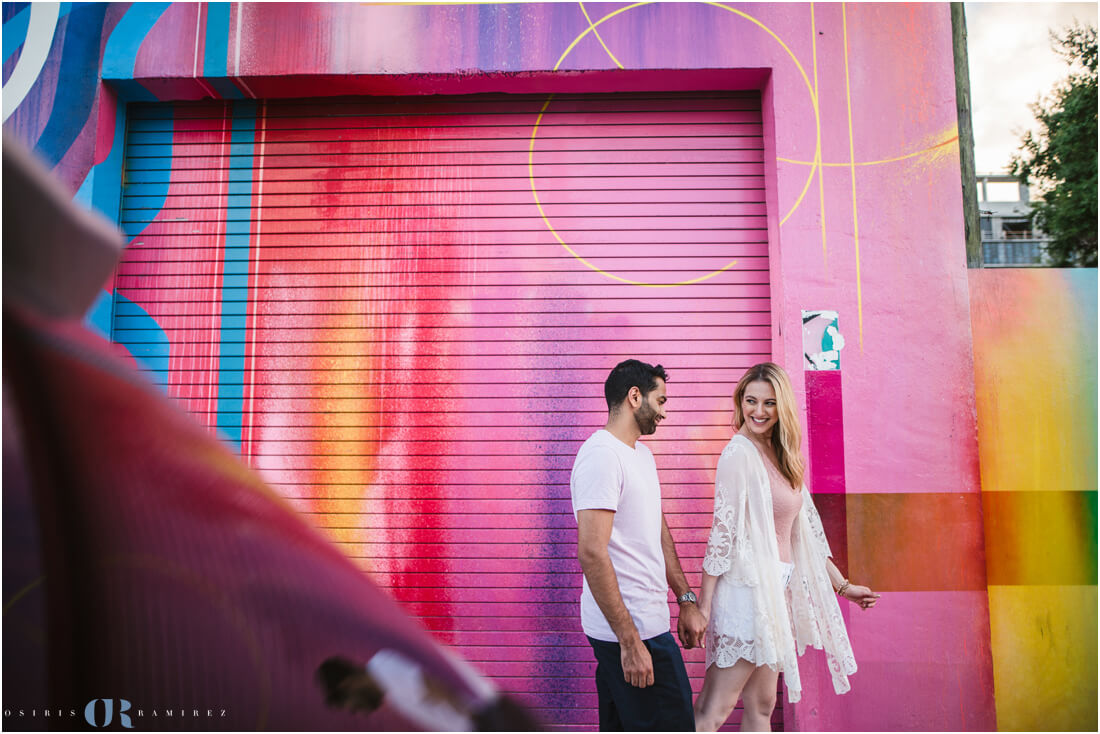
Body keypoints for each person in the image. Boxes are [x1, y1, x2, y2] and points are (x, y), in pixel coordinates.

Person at [693, 363, 880, 731]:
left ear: (783, 408)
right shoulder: (738, 454)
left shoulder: (784, 458)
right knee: (713, 709)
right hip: (745, 593)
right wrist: (703, 605)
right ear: (740, 402)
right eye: (751, 401)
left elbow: (804, 536)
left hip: (775, 593)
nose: (758, 411)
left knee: (762, 707)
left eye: (769, 403)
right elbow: (722, 533)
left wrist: (844, 587)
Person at [570, 359, 708, 731]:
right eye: (660, 401)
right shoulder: (602, 456)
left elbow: (656, 527)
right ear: (635, 397)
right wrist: (630, 643)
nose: (664, 413)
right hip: (632, 632)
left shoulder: (641, 456)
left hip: (646, 623)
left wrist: (685, 598)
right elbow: (592, 552)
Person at [316, 649, 538, 731]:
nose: (358, 709)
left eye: (350, 702)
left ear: (348, 685)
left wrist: (479, 719)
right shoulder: (388, 689)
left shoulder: (384, 666)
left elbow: (434, 685)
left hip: (487, 719)